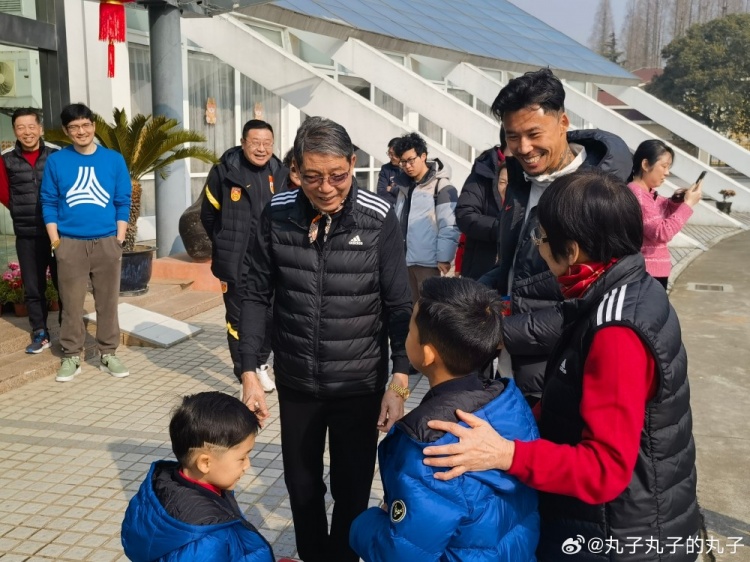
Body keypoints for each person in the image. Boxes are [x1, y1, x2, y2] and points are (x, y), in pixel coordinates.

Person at [424, 169, 699, 561]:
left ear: (571, 251)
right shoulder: (626, 286)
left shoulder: (616, 331)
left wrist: (506, 455)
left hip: (615, 535)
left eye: (541, 238)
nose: (538, 248)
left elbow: (603, 470)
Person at [238, 116, 412, 562]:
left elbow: (399, 305)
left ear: (353, 163)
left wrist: (400, 380)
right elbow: (255, 292)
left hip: (358, 383)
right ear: (295, 168)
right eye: (313, 176)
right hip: (298, 381)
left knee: (351, 489)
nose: (327, 187)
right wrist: (249, 371)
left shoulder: (377, 217)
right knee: (301, 486)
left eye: (338, 175)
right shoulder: (277, 212)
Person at [350, 276, 539, 562]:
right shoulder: (510, 402)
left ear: (428, 355)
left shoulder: (429, 448)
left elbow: (403, 554)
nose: (407, 334)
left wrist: (364, 524)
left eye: (411, 328)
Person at [479, 68, 631, 405]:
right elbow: (513, 267)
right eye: (512, 136)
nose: (523, 148)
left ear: (563, 122)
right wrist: (467, 296)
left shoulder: (598, 196)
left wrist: (501, 333)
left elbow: (596, 303)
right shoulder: (519, 181)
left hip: (561, 375)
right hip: (511, 370)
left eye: (534, 133)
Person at [121, 391, 275, 561]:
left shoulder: (163, 487)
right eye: (241, 458)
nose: (247, 465)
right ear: (205, 463)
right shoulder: (205, 541)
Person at [40, 103, 131, 382]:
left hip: (106, 242)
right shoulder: (57, 161)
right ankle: (71, 356)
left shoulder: (113, 160)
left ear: (93, 125)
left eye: (86, 125)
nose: (81, 131)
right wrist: (57, 243)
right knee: (71, 303)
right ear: (67, 132)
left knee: (108, 302)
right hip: (70, 244)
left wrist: (119, 238)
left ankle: (107, 353)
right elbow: (49, 202)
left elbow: (122, 200)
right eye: (74, 127)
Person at [201, 119, 289, 392]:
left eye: (267, 143)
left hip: (272, 263)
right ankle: (244, 373)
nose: (261, 149)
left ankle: (260, 364)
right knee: (238, 320)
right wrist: (225, 238)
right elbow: (208, 214)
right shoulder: (225, 172)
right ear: (243, 143)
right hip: (237, 263)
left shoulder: (280, 172)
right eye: (255, 143)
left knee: (272, 317)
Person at [1, 108, 60, 353]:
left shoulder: (57, 155)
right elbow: (3, 191)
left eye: (31, 126)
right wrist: (18, 208)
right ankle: (40, 332)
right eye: (21, 128)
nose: (27, 132)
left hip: (58, 232)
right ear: (15, 131)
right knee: (33, 286)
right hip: (27, 232)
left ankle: (67, 329)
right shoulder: (6, 158)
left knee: (64, 284)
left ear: (41, 128)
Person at [392, 132, 460, 303]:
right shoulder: (403, 187)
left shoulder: (442, 186)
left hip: (429, 264)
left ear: (423, 156)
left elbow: (449, 225)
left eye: (411, 160)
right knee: (410, 311)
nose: (407, 166)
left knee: (429, 311)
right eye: (403, 162)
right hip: (404, 261)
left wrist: (444, 257)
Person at [628, 139, 701, 289]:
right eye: (664, 166)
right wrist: (688, 205)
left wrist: (675, 201)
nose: (667, 173)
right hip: (647, 273)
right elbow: (661, 233)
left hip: (650, 272)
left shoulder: (646, 193)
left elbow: (660, 210)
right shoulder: (638, 195)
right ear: (646, 165)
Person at [455, 130, 509, 280]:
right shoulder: (483, 171)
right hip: (481, 266)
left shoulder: (534, 172)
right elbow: (465, 214)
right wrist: (503, 229)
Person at [376, 137, 401, 204]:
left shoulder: (407, 169)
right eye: (389, 154)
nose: (390, 157)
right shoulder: (385, 169)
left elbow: (407, 192)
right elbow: (381, 192)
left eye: (392, 154)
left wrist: (391, 189)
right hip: (390, 207)